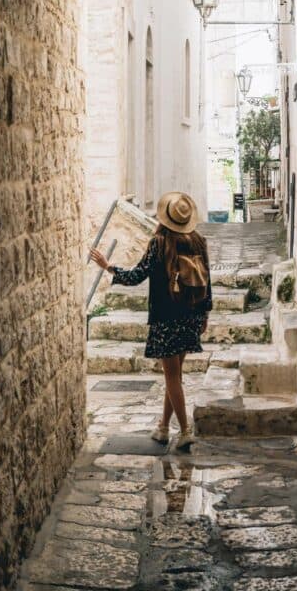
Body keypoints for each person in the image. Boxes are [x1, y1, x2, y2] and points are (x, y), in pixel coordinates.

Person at [90, 191, 212, 450]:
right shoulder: (199, 241)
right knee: (174, 376)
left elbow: (137, 276)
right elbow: (207, 281)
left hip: (166, 318)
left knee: (172, 377)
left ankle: (185, 430)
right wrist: (205, 314)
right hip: (190, 315)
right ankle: (163, 428)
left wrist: (108, 266)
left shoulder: (160, 243)